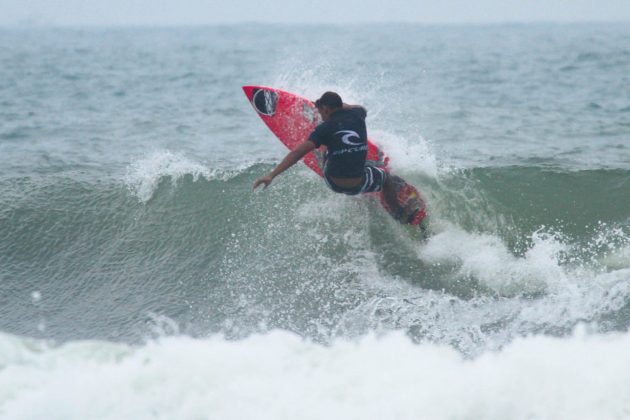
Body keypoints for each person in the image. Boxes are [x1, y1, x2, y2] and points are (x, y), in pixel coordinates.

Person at [253, 91, 402, 213]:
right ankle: (397, 211)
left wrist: (271, 175)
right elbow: (357, 107)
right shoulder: (358, 115)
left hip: (334, 182)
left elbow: (297, 153)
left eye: (321, 112)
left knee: (325, 145)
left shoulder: (324, 129)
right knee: (386, 178)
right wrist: (340, 106)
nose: (321, 116)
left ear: (326, 109)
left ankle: (321, 154)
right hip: (360, 182)